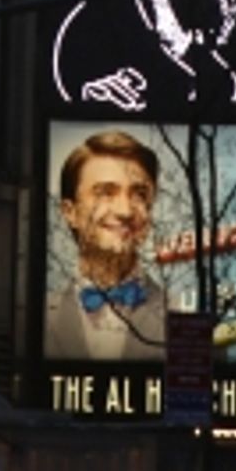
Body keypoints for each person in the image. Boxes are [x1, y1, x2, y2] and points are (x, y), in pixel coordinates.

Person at [44, 130, 168, 361]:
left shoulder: (185, 321)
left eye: (139, 194)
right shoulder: (35, 316)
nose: (125, 211)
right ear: (70, 212)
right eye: (105, 193)